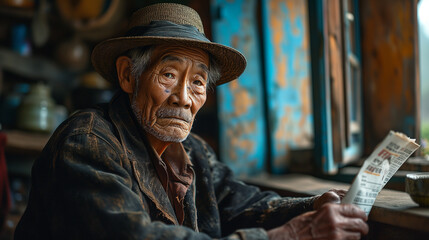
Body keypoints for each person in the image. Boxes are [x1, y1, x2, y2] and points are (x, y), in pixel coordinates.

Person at [14, 3, 368, 240]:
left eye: (198, 82)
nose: (184, 97)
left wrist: (313, 206)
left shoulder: (193, 152)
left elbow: (242, 205)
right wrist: (290, 235)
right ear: (127, 76)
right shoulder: (87, 142)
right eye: (168, 74)